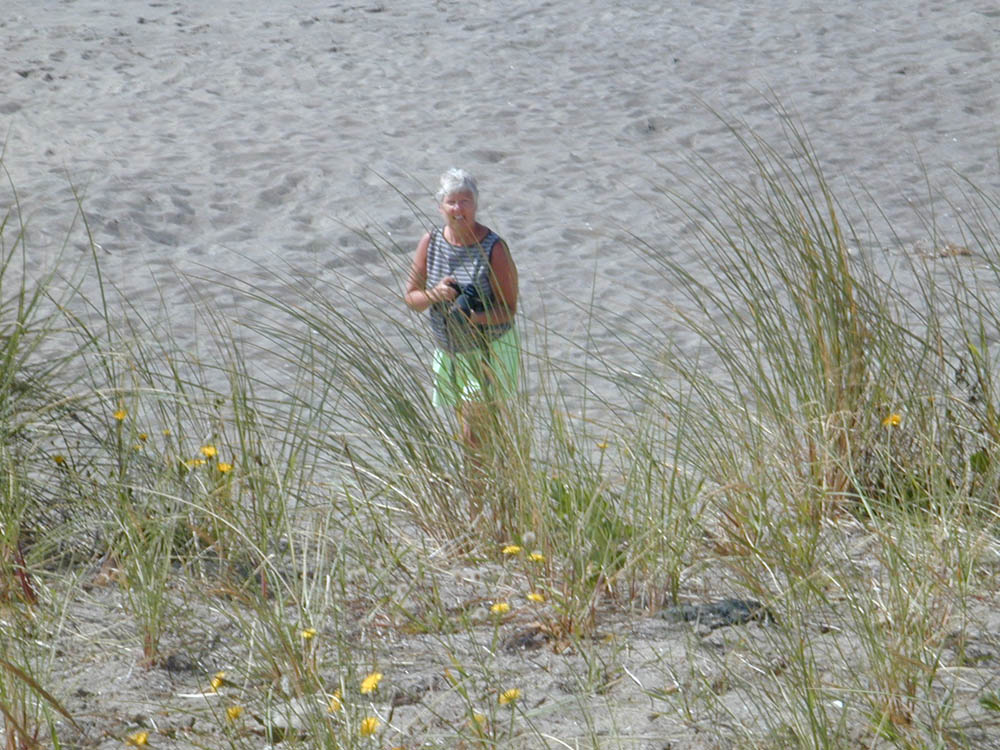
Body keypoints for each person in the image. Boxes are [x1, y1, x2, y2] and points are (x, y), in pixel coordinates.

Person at [404, 168, 520, 496]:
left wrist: (475, 317)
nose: (458, 209)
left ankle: (476, 504)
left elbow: (509, 309)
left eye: (465, 201)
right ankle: (499, 495)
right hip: (450, 352)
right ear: (440, 206)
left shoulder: (494, 248)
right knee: (478, 434)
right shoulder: (431, 242)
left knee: (472, 436)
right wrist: (434, 295)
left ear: (476, 205)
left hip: (489, 350)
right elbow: (411, 298)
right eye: (451, 202)